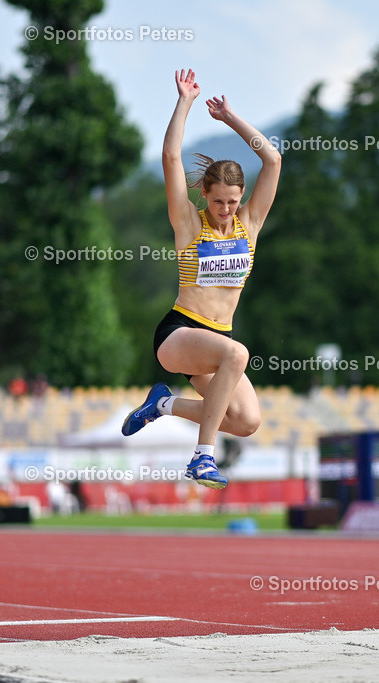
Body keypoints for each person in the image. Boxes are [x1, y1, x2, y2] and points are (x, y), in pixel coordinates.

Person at [121, 69, 281, 490]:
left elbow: (273, 160)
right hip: (180, 333)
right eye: (217, 201)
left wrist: (231, 119)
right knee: (237, 354)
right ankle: (202, 457)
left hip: (217, 340)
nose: (226, 209)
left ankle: (164, 404)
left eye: (232, 201)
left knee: (247, 421)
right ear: (204, 197)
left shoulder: (250, 224)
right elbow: (171, 158)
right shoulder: (189, 225)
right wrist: (185, 102)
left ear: (241, 198)